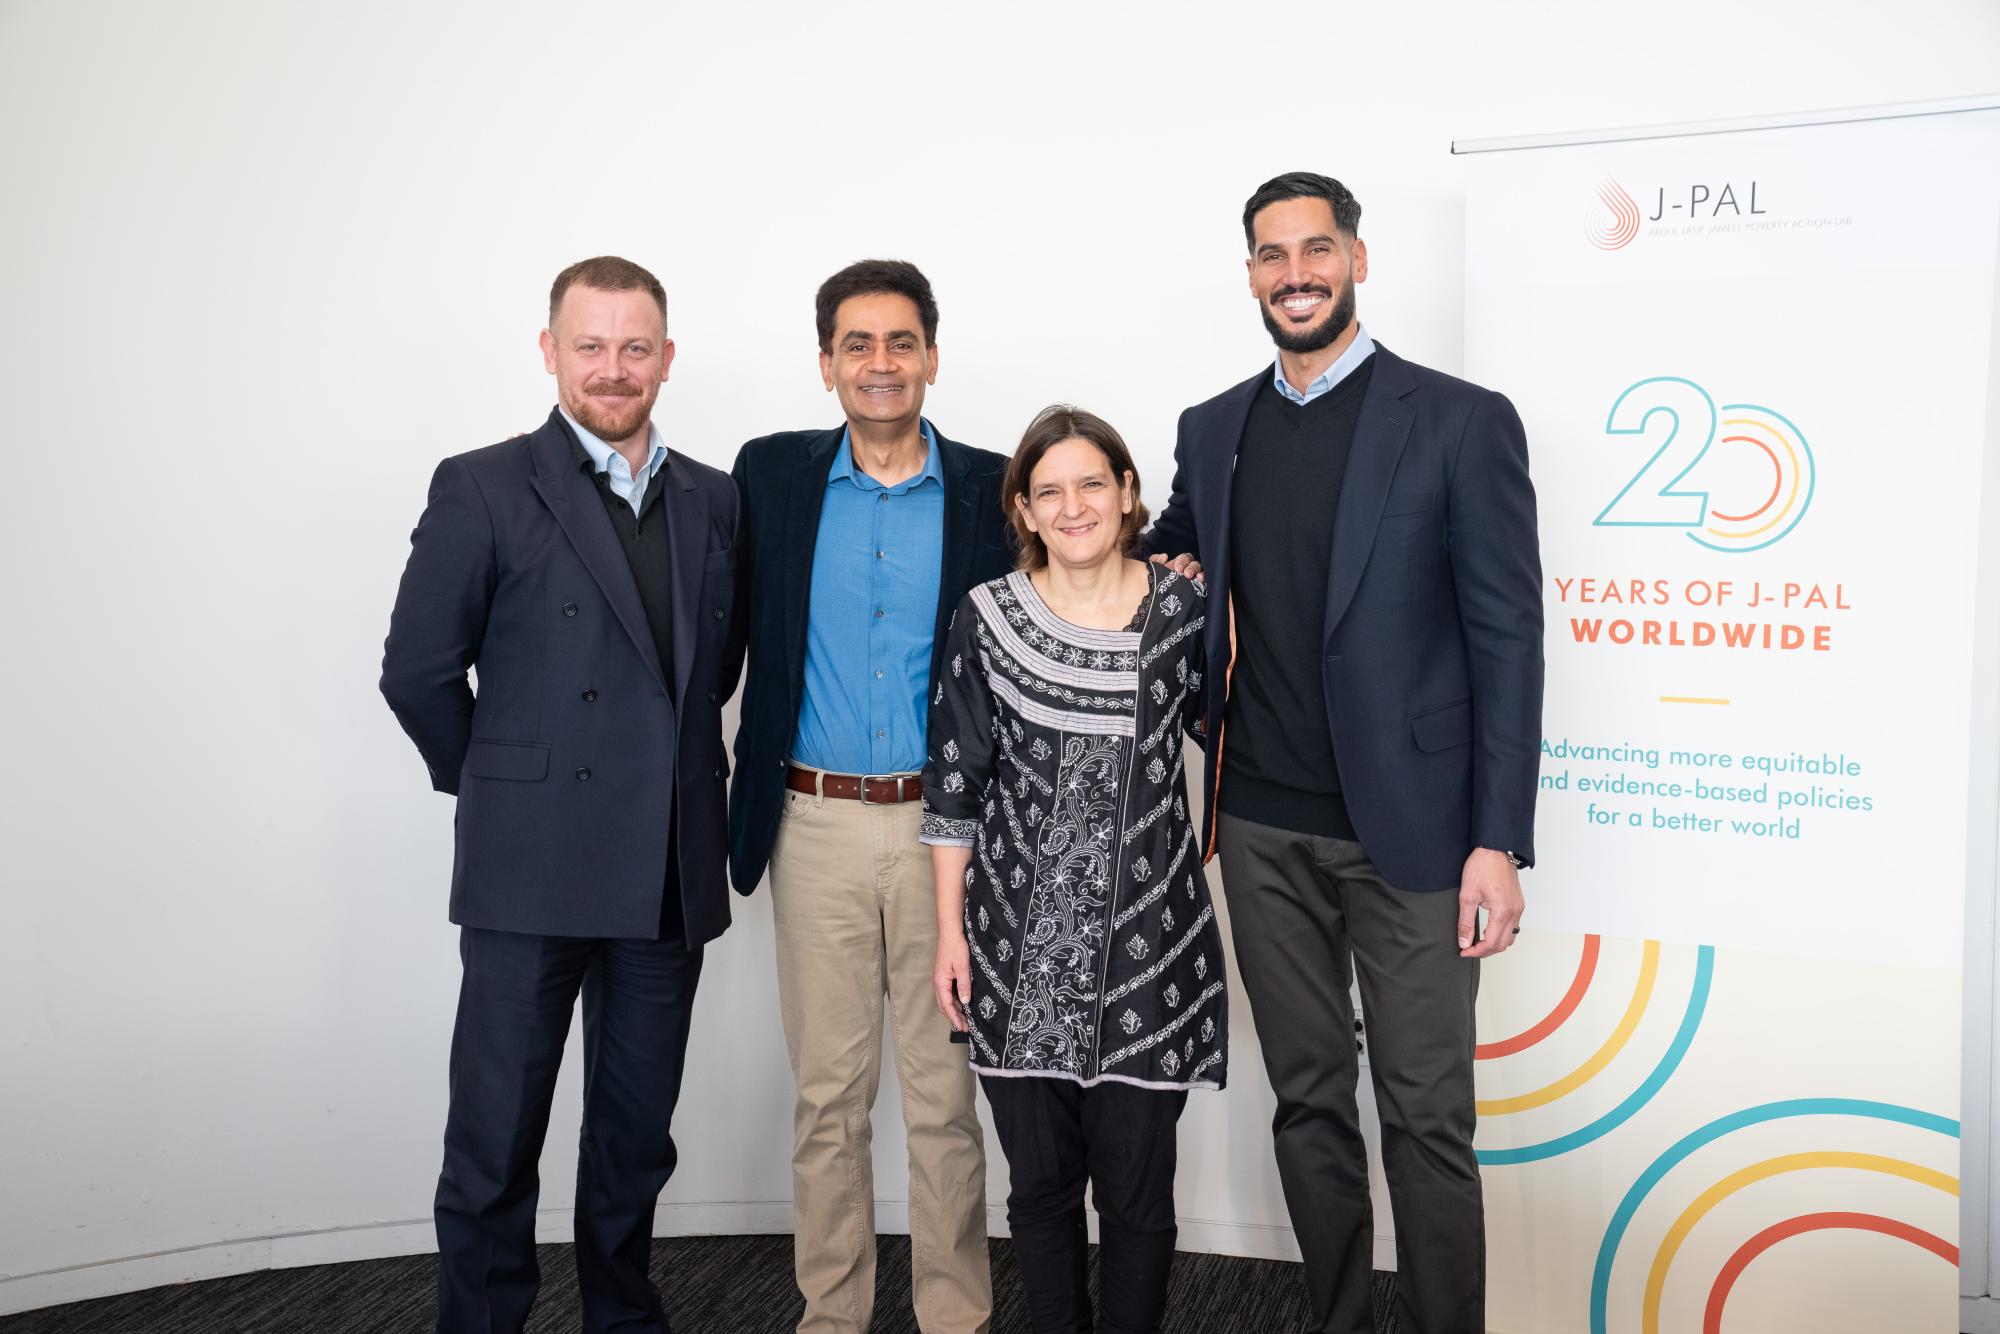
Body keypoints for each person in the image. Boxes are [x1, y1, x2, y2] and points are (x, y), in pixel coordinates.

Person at [1145, 172, 1544, 1334]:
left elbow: (1506, 637)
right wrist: (1149, 560)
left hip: (1414, 832)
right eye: (1271, 256)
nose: (1294, 273)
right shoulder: (1212, 426)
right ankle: (1334, 1319)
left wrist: (1495, 837)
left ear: (1357, 261)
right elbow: (1183, 550)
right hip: (1259, 824)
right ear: (1251, 274)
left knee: (1425, 1114)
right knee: (1306, 1102)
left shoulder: (1460, 419)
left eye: (1315, 250)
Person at [380, 255, 743, 1334]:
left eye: (636, 347)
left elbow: (711, 668)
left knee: (636, 1134)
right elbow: (417, 671)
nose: (613, 368)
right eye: (590, 344)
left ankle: (621, 1316)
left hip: (666, 865)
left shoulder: (714, 497)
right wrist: (500, 780)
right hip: (528, 866)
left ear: (667, 358)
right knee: (495, 1134)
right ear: (549, 351)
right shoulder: (483, 483)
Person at [728, 259, 1012, 1334]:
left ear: (931, 356)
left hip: (951, 835)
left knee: (942, 1103)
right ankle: (830, 1316)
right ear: (825, 363)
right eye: (857, 343)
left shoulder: (994, 485)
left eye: (900, 342)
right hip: (813, 828)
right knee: (825, 1101)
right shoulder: (771, 477)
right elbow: (716, 631)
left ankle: (953, 1317)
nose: (880, 363)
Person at [924, 405, 1226, 1334]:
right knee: (1041, 1195)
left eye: (1093, 482)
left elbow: (1239, 736)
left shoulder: (1184, 613)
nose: (1074, 504)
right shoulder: (986, 616)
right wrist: (950, 936)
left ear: (1130, 494)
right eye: (1048, 490)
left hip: (1150, 953)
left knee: (1138, 1201)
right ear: (1023, 508)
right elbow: (953, 787)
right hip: (1014, 955)